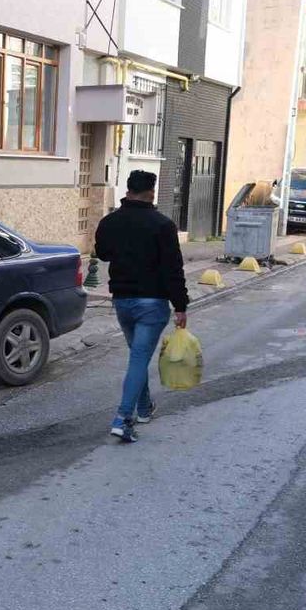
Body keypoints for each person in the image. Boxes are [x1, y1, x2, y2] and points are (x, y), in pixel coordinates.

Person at [94, 170, 189, 443]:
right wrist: (180, 305)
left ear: (128, 190)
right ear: (151, 193)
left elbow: (103, 254)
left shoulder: (109, 221)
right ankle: (123, 418)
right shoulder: (162, 225)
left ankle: (144, 408)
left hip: (123, 301)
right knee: (139, 357)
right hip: (152, 303)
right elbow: (173, 269)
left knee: (139, 355)